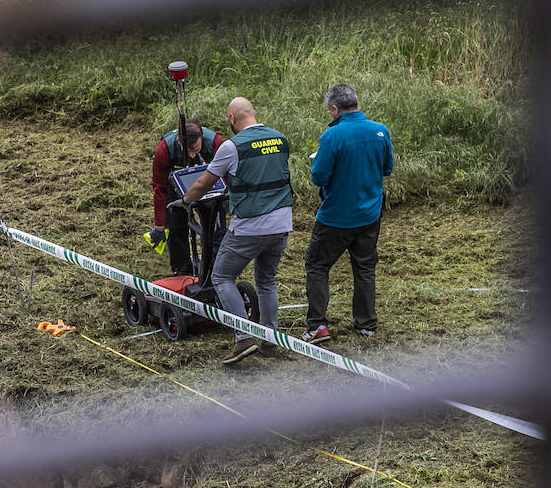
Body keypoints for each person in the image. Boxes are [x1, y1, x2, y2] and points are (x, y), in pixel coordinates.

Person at [181, 97, 294, 364]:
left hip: (249, 227)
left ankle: (243, 338)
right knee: (266, 280)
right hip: (281, 224)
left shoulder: (232, 146)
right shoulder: (280, 139)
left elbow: (202, 183)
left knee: (221, 277)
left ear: (231, 118)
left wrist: (184, 202)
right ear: (254, 114)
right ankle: (270, 340)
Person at [302, 83, 393, 343]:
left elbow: (318, 176)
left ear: (334, 109)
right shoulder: (380, 130)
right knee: (365, 268)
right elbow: (387, 169)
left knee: (317, 266)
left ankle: (318, 325)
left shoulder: (332, 136)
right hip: (370, 215)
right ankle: (367, 324)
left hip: (335, 218)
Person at [151, 120, 224, 276]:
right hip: (177, 183)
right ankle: (182, 269)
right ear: (179, 140)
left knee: (216, 225)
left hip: (209, 181)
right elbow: (159, 188)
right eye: (188, 150)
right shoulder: (165, 149)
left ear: (202, 138)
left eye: (196, 149)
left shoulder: (215, 143)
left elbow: (228, 175)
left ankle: (215, 268)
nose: (192, 155)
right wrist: (159, 225)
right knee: (175, 222)